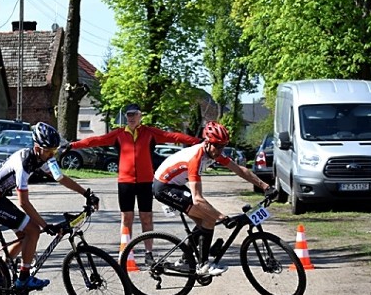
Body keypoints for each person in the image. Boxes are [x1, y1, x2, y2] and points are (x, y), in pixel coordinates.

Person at [63, 103, 201, 265]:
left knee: (146, 218)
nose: (131, 118)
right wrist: (73, 145)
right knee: (126, 218)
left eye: (134, 114)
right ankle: (125, 254)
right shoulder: (119, 134)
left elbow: (173, 137)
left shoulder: (150, 133)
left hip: (145, 182)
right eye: (128, 115)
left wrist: (198, 142)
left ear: (140, 115)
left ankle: (149, 254)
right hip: (125, 182)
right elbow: (96, 140)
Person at [0, 122, 98, 290]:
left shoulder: (43, 158)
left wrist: (86, 193)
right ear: (37, 147)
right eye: (48, 151)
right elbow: (23, 202)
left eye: (54, 151)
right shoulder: (24, 163)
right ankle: (23, 278)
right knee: (32, 230)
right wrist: (45, 225)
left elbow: (60, 178)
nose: (51, 154)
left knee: (25, 236)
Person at [153, 121, 278, 276]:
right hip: (164, 187)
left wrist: (266, 186)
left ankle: (185, 260)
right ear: (207, 142)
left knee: (204, 222)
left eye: (223, 146)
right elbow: (198, 198)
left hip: (176, 184)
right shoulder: (196, 158)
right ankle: (203, 266)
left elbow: (239, 170)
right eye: (217, 146)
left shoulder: (214, 152)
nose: (220, 150)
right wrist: (223, 217)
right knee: (209, 218)